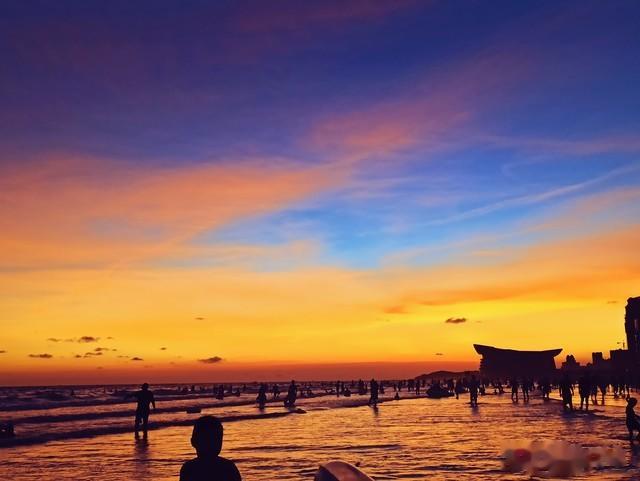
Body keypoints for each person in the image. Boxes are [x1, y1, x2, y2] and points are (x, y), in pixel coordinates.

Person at [180, 415, 241, 481]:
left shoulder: (189, 468)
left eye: (216, 439)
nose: (211, 443)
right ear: (194, 442)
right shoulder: (228, 467)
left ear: (193, 442)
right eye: (207, 440)